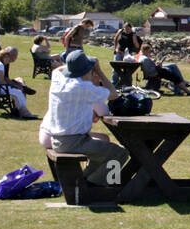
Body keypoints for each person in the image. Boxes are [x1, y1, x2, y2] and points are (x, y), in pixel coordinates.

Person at [39, 51, 127, 185]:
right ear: (87, 70)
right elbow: (114, 94)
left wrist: (76, 65)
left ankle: (85, 181)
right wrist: (99, 69)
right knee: (120, 153)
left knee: (102, 153)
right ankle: (101, 185)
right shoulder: (83, 87)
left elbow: (58, 69)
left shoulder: (59, 79)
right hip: (74, 141)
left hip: (58, 139)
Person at [0, 47, 36, 118]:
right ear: (3, 57)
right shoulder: (0, 65)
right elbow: (1, 81)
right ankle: (23, 112)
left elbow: (2, 80)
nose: (9, 60)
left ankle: (21, 110)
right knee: (18, 92)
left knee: (18, 92)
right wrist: (13, 86)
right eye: (7, 58)